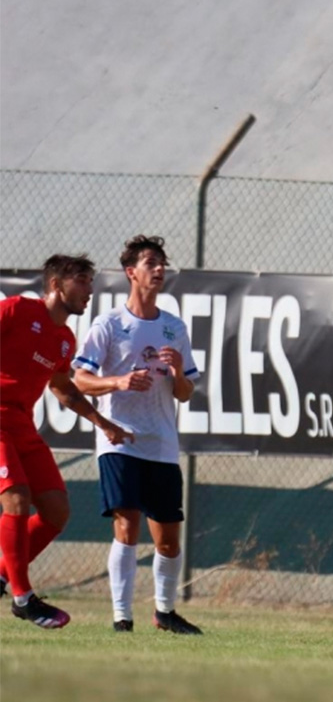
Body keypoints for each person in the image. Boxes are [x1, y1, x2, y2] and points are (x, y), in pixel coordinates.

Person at [72, 236, 203, 634]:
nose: (159, 269)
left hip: (161, 444)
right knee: (126, 525)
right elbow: (80, 379)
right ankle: (121, 618)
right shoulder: (109, 324)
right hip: (119, 440)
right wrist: (119, 381)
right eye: (151, 263)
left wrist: (179, 372)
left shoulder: (173, 327)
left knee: (168, 540)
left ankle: (164, 612)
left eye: (162, 263)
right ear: (132, 273)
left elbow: (186, 392)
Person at [0, 254, 132, 629]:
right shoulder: (16, 310)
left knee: (56, 512)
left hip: (21, 425)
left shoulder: (64, 339)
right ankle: (23, 599)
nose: (89, 289)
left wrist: (103, 423)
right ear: (57, 285)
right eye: (82, 281)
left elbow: (63, 389)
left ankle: (2, 575)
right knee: (16, 500)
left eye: (91, 282)